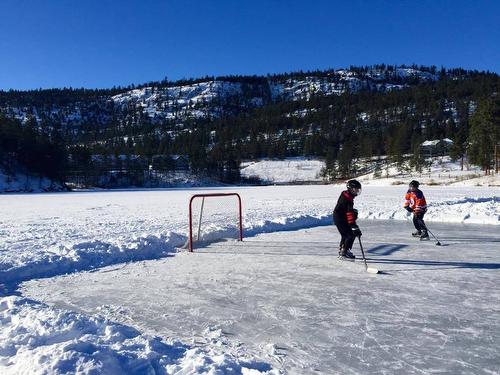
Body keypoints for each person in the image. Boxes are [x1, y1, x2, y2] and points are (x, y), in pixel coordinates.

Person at [333, 179, 362, 260]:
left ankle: (344, 250)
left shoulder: (347, 196)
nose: (357, 191)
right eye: (356, 189)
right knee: (349, 234)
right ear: (351, 189)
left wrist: (353, 212)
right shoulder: (347, 199)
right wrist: (353, 225)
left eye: (358, 189)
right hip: (340, 218)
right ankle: (343, 252)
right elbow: (348, 213)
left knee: (347, 234)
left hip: (341, 217)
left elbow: (347, 211)